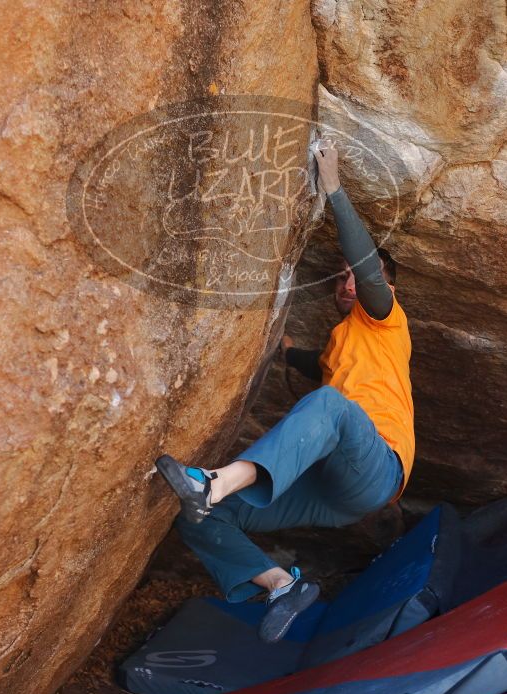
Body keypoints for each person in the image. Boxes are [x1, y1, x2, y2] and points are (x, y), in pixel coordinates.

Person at [156, 143, 415, 644]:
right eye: (340, 278)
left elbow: (366, 269)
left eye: (357, 278)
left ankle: (214, 481)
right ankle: (280, 586)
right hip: (335, 495)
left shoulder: (388, 323)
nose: (348, 283)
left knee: (330, 406)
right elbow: (315, 362)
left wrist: (334, 188)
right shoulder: (343, 343)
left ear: (388, 290)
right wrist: (281, 350)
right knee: (199, 519)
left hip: (379, 467)